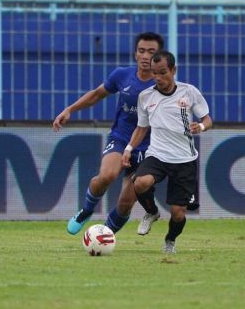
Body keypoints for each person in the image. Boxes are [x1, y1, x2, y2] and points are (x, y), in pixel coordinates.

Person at [53, 32, 163, 235]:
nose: (146, 56)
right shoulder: (122, 75)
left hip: (148, 148)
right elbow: (96, 94)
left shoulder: (163, 86)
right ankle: (86, 210)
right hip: (121, 138)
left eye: (151, 51)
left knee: (125, 203)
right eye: (141, 51)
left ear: (160, 56)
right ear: (135, 53)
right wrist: (70, 109)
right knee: (107, 176)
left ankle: (104, 235)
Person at [122, 50, 212, 254]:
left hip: (184, 159)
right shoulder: (145, 97)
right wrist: (129, 148)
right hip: (157, 155)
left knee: (178, 213)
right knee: (140, 182)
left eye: (163, 72)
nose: (158, 78)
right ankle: (151, 212)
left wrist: (202, 127)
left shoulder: (189, 92)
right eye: (154, 73)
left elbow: (208, 119)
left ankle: (170, 240)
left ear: (173, 70)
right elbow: (141, 127)